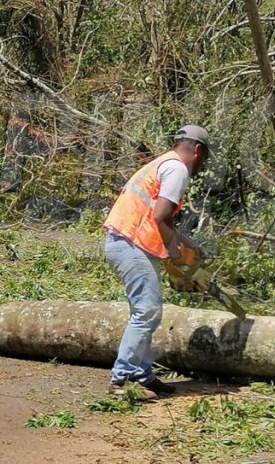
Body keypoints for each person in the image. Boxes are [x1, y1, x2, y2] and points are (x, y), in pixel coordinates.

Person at [102, 125, 211, 400]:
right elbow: (160, 217)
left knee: (147, 311)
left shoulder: (163, 163)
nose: (203, 164)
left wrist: (188, 243)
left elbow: (165, 218)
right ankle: (122, 376)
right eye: (205, 158)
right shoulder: (178, 170)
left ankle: (142, 373)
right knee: (147, 311)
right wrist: (175, 250)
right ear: (197, 151)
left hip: (127, 243)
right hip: (130, 245)